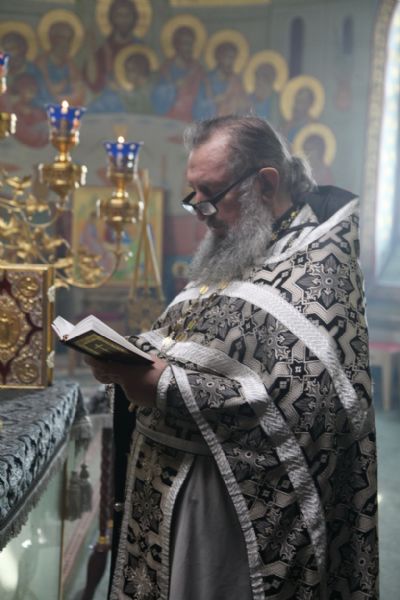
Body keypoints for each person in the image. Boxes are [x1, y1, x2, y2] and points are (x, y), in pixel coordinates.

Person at [85, 115, 379, 599]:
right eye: (194, 194)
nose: (201, 211)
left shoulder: (318, 264)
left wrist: (164, 386)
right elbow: (197, 336)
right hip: (171, 490)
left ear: (266, 183)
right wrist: (131, 356)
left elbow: (312, 405)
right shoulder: (242, 247)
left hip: (235, 512)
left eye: (211, 193)